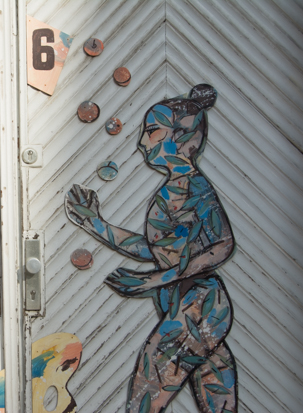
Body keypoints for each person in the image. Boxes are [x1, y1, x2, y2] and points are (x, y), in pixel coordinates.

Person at [65, 85, 238, 413]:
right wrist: (95, 223)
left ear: (182, 138)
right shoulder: (173, 190)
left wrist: (152, 281)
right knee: (215, 396)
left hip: (199, 305)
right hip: (193, 306)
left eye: (152, 131)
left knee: (145, 393)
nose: (142, 142)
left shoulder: (194, 188)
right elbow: (156, 249)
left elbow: (223, 245)